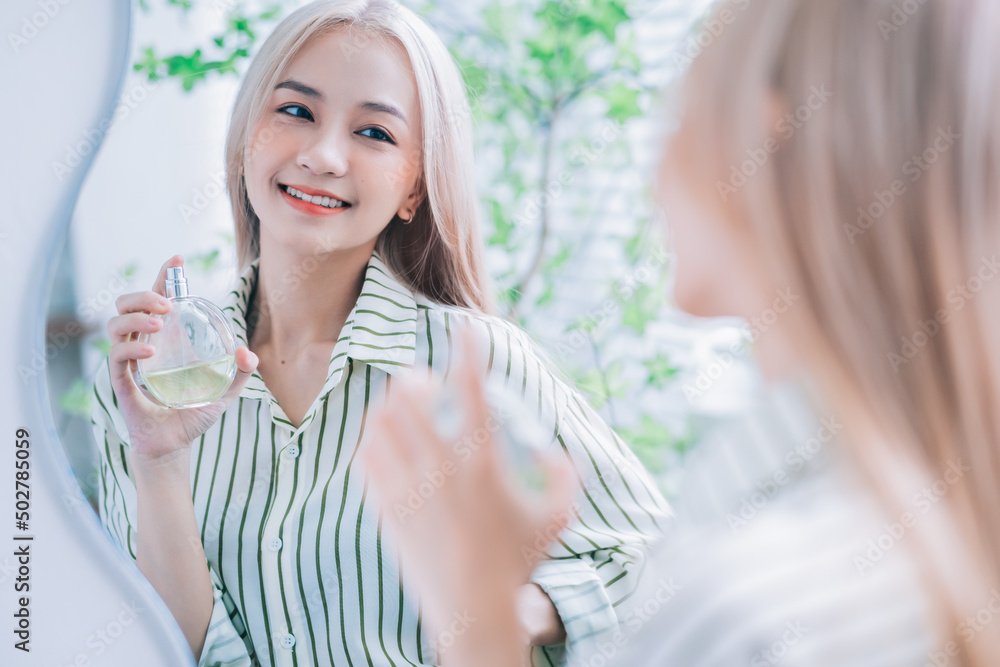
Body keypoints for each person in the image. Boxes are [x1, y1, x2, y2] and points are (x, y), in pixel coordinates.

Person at [365, 0, 1000, 665]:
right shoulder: (927, 526)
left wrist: (475, 609)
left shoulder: (743, 613)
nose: (654, 167)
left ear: (756, 153)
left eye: (678, 113)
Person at [89, 1, 669, 666]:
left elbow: (658, 567)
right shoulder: (152, 385)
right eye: (296, 111)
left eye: (374, 133)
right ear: (247, 133)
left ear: (413, 188)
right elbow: (168, 644)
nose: (323, 155)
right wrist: (157, 463)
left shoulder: (475, 365)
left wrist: (501, 609)